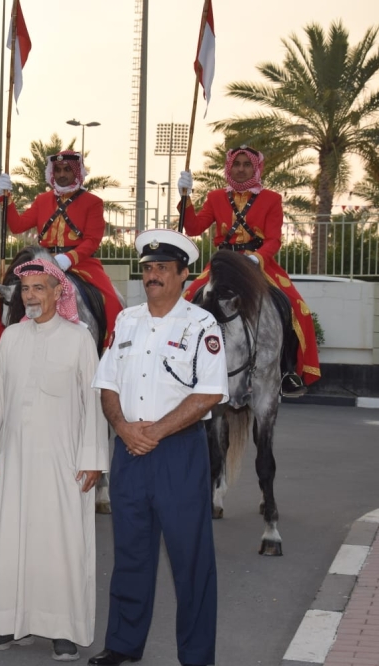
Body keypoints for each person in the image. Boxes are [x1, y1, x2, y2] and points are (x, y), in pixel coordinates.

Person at [88, 230, 228, 666]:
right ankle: (123, 645)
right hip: (129, 452)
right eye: (148, 268)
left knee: (191, 560)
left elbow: (210, 393)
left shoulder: (202, 325)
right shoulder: (126, 321)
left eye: (162, 269)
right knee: (130, 554)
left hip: (178, 455)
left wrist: (155, 432)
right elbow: (106, 384)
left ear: (184, 275)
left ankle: (197, 655)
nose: (152, 276)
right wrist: (123, 428)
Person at [0, 259, 109, 662]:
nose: (31, 296)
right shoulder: (13, 338)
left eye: (39, 288)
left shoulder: (79, 340)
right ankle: (9, 623)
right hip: (15, 461)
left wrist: (92, 459)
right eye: (27, 289)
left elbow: (94, 405)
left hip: (64, 461)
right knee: (12, 540)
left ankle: (62, 629)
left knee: (60, 544)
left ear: (58, 293)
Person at [177, 146, 320, 396]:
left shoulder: (272, 199)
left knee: (297, 309)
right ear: (229, 167)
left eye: (247, 164)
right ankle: (184, 361)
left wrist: (257, 258)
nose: (241, 169)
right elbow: (194, 228)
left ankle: (288, 371)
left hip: (259, 263)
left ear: (256, 168)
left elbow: (274, 240)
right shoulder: (215, 197)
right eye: (237, 164)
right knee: (186, 302)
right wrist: (186, 198)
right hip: (224, 262)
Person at [0, 151, 123, 348]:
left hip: (81, 263)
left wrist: (69, 258)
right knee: (9, 297)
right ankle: (1, 348)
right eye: (58, 170)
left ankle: (112, 348)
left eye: (67, 170)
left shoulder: (93, 202)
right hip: (43, 261)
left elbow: (92, 241)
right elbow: (17, 225)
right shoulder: (42, 200)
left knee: (112, 301)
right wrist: (6, 200)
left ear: (77, 172)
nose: (62, 174)